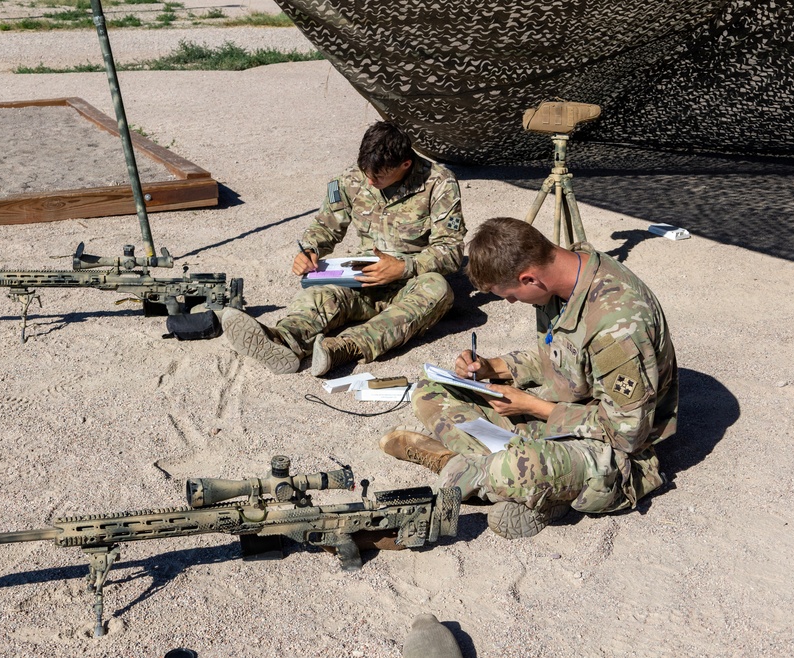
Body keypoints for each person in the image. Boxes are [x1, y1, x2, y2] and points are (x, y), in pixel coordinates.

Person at [380, 217, 678, 539]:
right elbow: (562, 357)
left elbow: (628, 433)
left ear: (530, 279)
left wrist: (534, 407)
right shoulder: (564, 277)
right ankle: (514, 479)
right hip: (563, 414)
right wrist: (495, 367)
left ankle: (476, 468)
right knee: (430, 391)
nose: (511, 302)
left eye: (510, 295)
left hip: (614, 453)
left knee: (519, 466)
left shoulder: (617, 325)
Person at [221, 121, 466, 376]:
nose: (369, 182)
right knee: (321, 293)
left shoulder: (439, 183)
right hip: (362, 278)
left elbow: (451, 249)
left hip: (411, 283)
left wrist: (405, 267)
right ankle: (283, 340)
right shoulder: (351, 179)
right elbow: (326, 226)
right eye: (366, 173)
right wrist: (311, 249)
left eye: (378, 176)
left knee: (438, 289)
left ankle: (343, 348)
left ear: (405, 164)